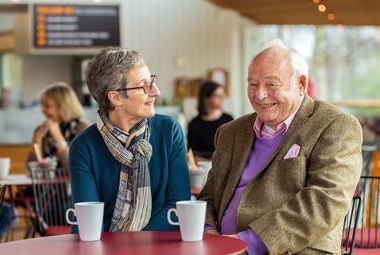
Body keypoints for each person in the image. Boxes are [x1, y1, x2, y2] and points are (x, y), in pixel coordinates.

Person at [198, 40, 362, 254]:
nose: (260, 94)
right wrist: (210, 235)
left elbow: (324, 201)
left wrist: (245, 244)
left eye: (271, 84)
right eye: (253, 84)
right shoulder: (230, 132)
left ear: (301, 84)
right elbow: (209, 197)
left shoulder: (334, 125)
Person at [68, 47, 190, 232]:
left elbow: (178, 206)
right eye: (144, 86)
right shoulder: (83, 146)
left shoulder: (169, 131)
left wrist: (137, 245)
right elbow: (87, 223)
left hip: (162, 246)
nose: (156, 91)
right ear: (116, 97)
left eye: (152, 82)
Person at [27, 82, 89, 169]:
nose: (42, 110)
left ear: (63, 106)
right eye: (42, 106)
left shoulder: (83, 128)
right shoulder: (42, 129)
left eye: (47, 106)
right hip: (46, 182)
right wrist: (37, 141)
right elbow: (31, 170)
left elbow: (75, 168)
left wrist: (58, 137)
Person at [187, 81, 233, 160]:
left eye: (222, 95)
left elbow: (233, 149)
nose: (222, 99)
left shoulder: (229, 119)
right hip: (203, 168)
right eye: (217, 96)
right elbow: (193, 154)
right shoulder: (194, 124)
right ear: (206, 98)